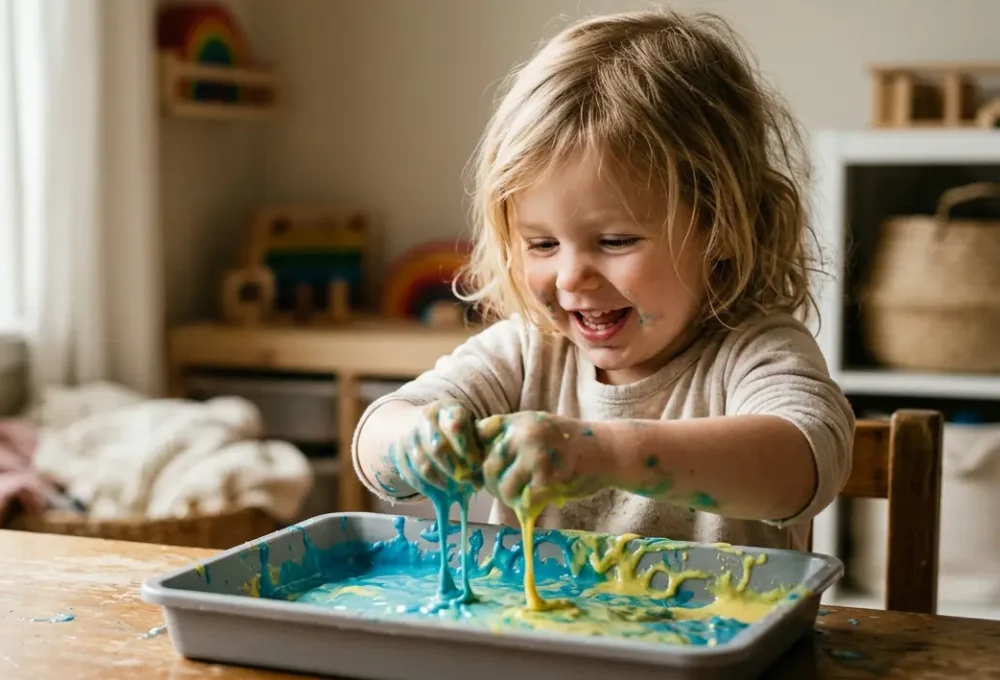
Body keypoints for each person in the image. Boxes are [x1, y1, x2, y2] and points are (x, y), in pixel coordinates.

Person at [351, 7, 854, 552]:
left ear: (724, 229)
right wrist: (416, 440)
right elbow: (376, 439)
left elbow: (803, 463)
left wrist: (605, 454)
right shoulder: (526, 353)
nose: (572, 277)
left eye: (615, 242)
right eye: (542, 244)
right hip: (538, 635)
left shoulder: (754, 354)